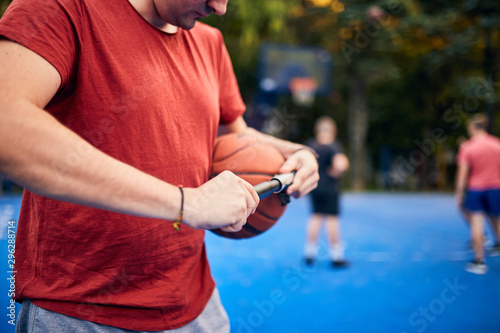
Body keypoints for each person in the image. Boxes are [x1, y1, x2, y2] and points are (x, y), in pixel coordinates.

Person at [0, 0, 319, 332]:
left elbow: (235, 140)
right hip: (80, 312)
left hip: (198, 308)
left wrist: (297, 152)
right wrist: (185, 204)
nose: (220, 7)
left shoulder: (209, 43)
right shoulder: (63, 8)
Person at [456, 113, 500, 275]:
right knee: (496, 218)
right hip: (496, 187)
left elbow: (462, 174)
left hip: (476, 189)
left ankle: (479, 261)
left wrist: (459, 193)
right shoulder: (497, 144)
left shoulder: (468, 147)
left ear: (473, 128)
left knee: (476, 222)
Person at [303, 116, 349, 268]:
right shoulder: (333, 146)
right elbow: (340, 163)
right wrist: (338, 170)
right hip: (330, 188)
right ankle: (337, 256)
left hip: (314, 187)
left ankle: (309, 253)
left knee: (315, 217)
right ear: (333, 131)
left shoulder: (311, 145)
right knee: (332, 220)